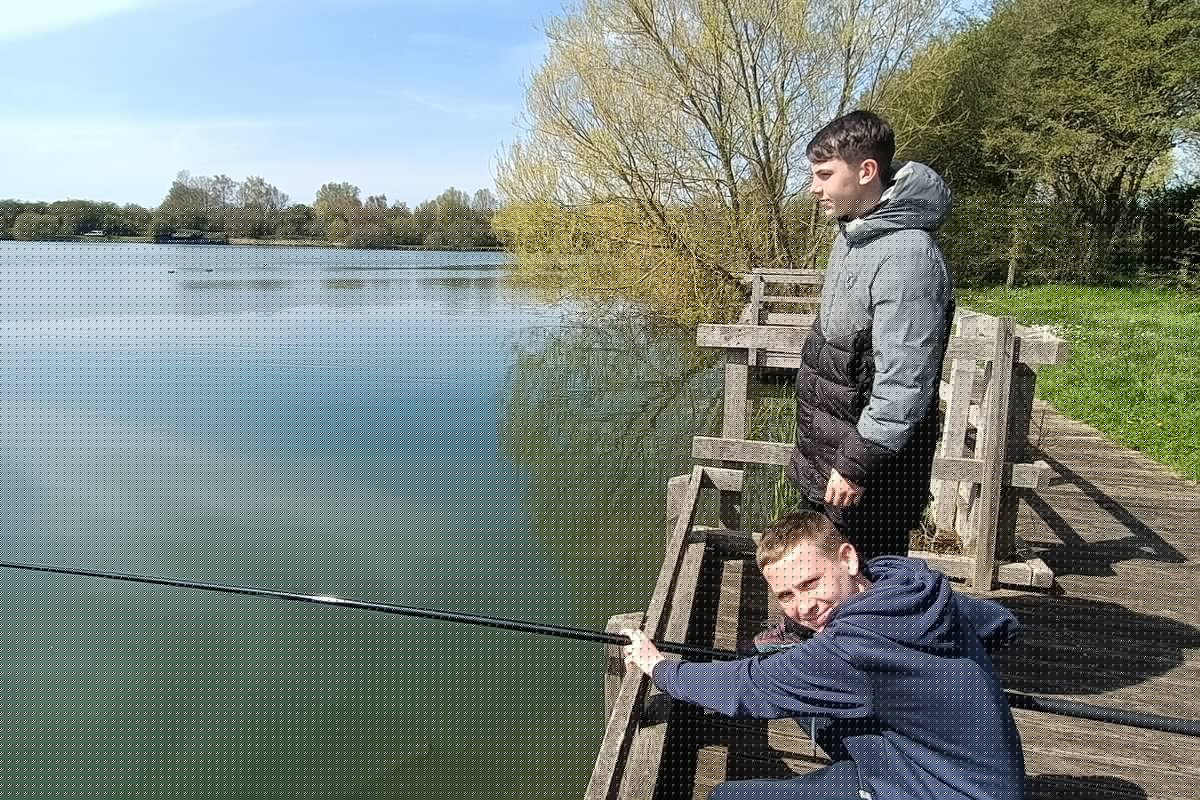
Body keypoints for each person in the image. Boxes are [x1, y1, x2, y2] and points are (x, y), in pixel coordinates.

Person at [623, 512, 1024, 800]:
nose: (804, 606)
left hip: (941, 789)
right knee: (805, 700)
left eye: (811, 583)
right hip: (983, 773)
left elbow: (748, 685)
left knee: (725, 796)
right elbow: (1000, 624)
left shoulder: (850, 649)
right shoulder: (911, 584)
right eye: (786, 595)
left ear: (847, 558)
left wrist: (660, 667)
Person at [757, 110, 956, 652]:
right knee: (824, 558)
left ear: (866, 171)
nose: (814, 188)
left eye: (824, 176)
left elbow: (904, 380)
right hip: (829, 442)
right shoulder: (855, 235)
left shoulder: (909, 257)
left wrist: (856, 461)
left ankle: (875, 666)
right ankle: (811, 638)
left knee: (868, 568)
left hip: (870, 463)